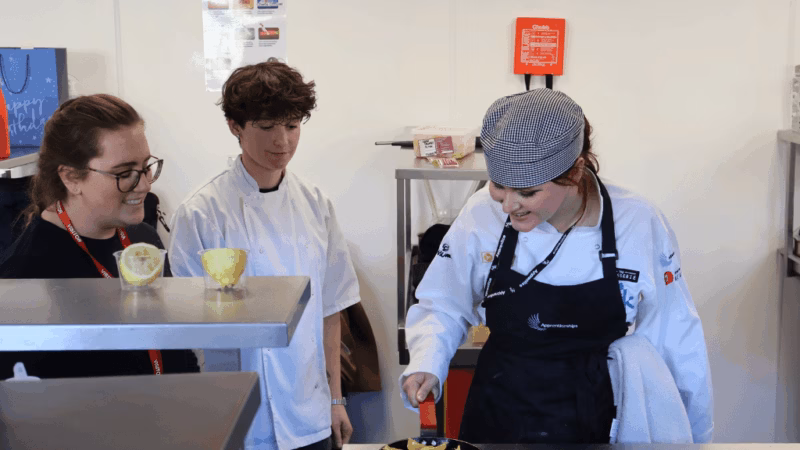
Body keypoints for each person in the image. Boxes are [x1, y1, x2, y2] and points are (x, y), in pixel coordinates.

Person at [400, 89, 713, 444]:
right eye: (499, 186)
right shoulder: (479, 214)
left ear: (576, 171)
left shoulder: (636, 222)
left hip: (600, 416)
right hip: (498, 411)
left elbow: (676, 337)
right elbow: (443, 302)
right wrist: (427, 361)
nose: (508, 205)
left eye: (528, 193)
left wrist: (697, 437)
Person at [168, 60, 360, 450]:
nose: (282, 141)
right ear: (235, 127)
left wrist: (336, 399)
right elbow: (187, 326)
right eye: (266, 126)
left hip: (309, 410)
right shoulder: (201, 212)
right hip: (233, 409)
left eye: (291, 126)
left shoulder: (315, 204)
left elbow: (330, 309)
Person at [0, 93, 198, 378]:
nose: (143, 184)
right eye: (124, 172)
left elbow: (173, 345)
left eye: (146, 167)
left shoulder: (143, 241)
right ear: (70, 177)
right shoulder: (25, 275)